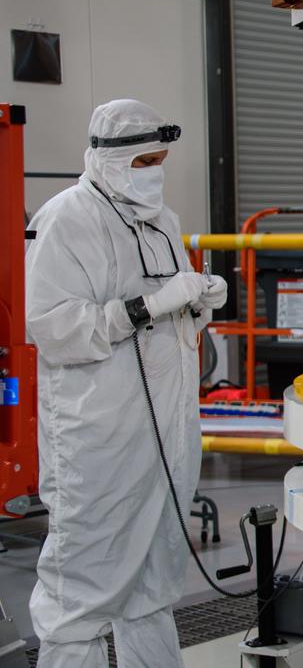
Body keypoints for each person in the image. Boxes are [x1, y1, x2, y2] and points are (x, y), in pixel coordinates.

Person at [25, 99, 227, 667]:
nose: (156, 171)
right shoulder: (65, 219)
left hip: (167, 429)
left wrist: (198, 303)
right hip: (99, 436)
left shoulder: (163, 220)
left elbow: (169, 318)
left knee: (155, 580)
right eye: (145, 160)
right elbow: (54, 329)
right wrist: (144, 307)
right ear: (111, 159)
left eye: (161, 159)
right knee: (83, 587)